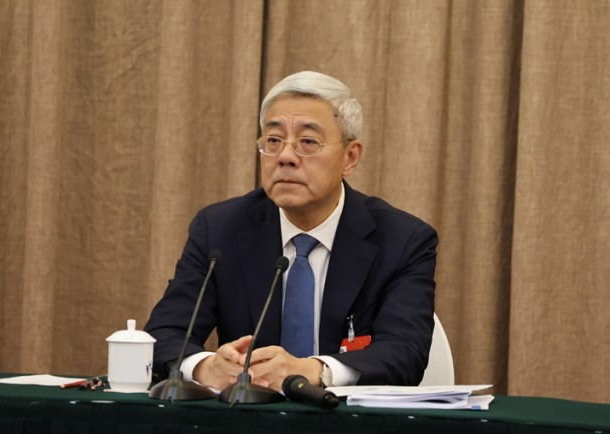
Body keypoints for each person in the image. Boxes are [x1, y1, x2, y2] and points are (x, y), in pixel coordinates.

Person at [144, 71, 438, 391]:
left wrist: (313, 371)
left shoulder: (402, 240)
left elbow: (405, 353)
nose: (285, 157)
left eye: (308, 142)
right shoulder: (219, 230)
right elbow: (163, 335)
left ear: (350, 157)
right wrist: (205, 367)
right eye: (274, 140)